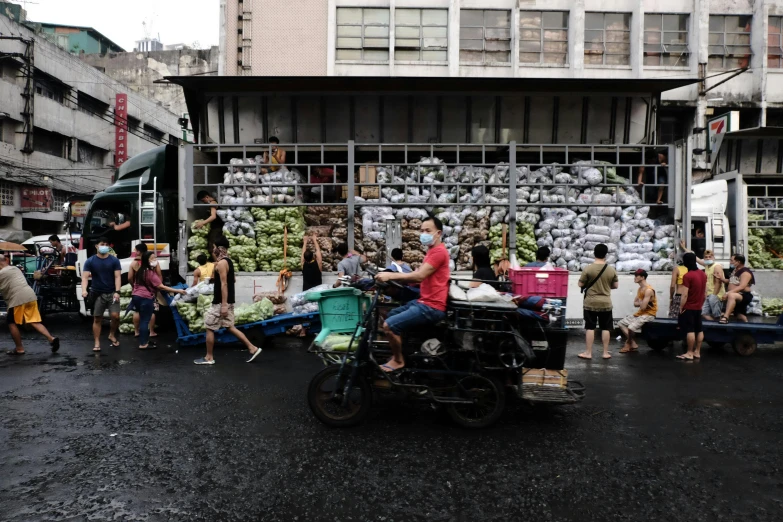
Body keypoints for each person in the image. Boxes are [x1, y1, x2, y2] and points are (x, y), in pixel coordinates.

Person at [375, 216, 450, 372]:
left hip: (432, 306)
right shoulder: (431, 251)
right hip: (423, 302)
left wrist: (391, 276)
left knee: (389, 325)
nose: (423, 234)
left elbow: (419, 276)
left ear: (438, 233)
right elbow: (421, 278)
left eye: (428, 231)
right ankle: (405, 353)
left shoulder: (438, 253)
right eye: (421, 231)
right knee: (390, 315)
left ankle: (398, 360)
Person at [194, 236, 262, 365]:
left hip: (220, 302)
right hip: (228, 300)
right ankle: (252, 348)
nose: (213, 250)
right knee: (229, 327)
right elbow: (233, 280)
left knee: (209, 327)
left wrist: (223, 305)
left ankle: (209, 357)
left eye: (214, 248)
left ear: (219, 249)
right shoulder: (228, 261)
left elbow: (224, 284)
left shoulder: (221, 263)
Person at [0, 253, 59, 355]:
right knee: (33, 321)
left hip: (18, 299)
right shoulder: (15, 269)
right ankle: (52, 339)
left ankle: (19, 348)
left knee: (11, 322)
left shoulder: (2, 273)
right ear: (5, 260)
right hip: (30, 296)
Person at [131, 252, 185, 350]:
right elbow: (161, 286)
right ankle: (143, 344)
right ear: (147, 261)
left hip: (136, 296)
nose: (155, 260)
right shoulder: (150, 273)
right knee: (145, 320)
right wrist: (178, 290)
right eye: (153, 258)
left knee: (143, 318)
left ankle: (145, 341)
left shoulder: (141, 270)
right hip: (145, 298)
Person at [577, 244, 619, 360]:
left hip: (590, 302)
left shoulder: (588, 268)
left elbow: (580, 284)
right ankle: (605, 353)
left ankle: (588, 353)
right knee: (606, 327)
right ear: (606, 254)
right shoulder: (611, 269)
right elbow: (615, 285)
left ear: (594, 253)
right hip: (606, 303)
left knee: (590, 327)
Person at [81, 237, 122, 352]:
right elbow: (84, 277)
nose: (104, 246)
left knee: (115, 316)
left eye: (106, 244)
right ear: (96, 246)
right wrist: (84, 290)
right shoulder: (90, 261)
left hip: (112, 293)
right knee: (97, 318)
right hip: (97, 293)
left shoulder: (114, 260)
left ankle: (112, 334)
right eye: (102, 244)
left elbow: (118, 276)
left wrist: (117, 292)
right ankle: (97, 342)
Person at [128, 243, 163, 339]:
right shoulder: (152, 262)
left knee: (137, 310)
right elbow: (159, 274)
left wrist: (134, 286)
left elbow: (130, 277)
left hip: (137, 291)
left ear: (139, 251)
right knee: (151, 311)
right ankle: (151, 332)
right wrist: (158, 286)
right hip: (151, 290)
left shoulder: (134, 263)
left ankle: (136, 331)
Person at [617, 269, 657, 354]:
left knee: (631, 327)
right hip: (640, 314)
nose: (634, 278)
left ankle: (628, 343)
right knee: (621, 323)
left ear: (642, 277)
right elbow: (635, 304)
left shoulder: (648, 290)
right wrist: (641, 303)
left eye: (636, 276)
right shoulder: (640, 289)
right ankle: (632, 343)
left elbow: (642, 307)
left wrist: (640, 302)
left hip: (649, 314)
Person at [677, 253, 707, 360]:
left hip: (689, 306)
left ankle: (689, 353)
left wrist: (680, 307)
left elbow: (684, 294)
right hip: (698, 306)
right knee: (699, 329)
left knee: (690, 330)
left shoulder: (687, 276)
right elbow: (705, 292)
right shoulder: (703, 274)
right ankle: (697, 351)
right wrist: (701, 303)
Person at [719, 254, 756, 324]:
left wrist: (728, 293)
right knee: (739, 315)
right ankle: (746, 325)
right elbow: (731, 281)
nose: (730, 262)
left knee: (731, 296)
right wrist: (721, 279)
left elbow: (742, 286)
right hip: (735, 294)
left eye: (732, 260)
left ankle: (726, 317)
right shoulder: (735, 270)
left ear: (738, 262)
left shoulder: (745, 272)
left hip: (743, 294)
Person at [700, 250, 726, 320]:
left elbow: (718, 282)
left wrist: (714, 296)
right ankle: (715, 326)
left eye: (710, 257)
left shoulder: (716, 267)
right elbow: (697, 260)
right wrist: (685, 249)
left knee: (717, 315)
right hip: (709, 294)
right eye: (706, 257)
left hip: (716, 294)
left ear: (713, 258)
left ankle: (720, 327)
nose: (708, 258)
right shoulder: (707, 266)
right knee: (704, 313)